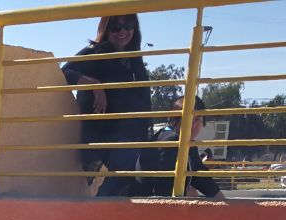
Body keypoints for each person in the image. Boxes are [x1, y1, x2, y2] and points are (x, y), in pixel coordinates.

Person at [62, 13, 151, 197]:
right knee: (128, 166)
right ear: (105, 29)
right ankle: (95, 210)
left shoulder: (134, 58)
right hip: (101, 134)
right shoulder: (95, 52)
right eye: (115, 27)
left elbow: (143, 99)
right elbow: (64, 72)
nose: (123, 32)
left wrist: (145, 136)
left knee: (144, 175)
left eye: (128, 25)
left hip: (129, 137)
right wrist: (93, 83)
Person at [136, 97, 228, 200]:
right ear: (176, 119)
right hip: (150, 205)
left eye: (198, 119)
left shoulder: (187, 143)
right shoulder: (170, 140)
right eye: (188, 119)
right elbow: (164, 188)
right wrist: (188, 192)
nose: (193, 125)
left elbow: (201, 178)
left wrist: (222, 201)